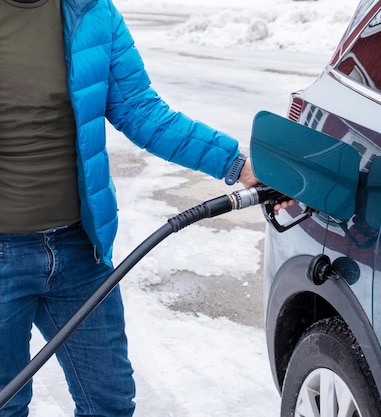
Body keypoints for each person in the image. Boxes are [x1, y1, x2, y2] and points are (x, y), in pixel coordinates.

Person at [0, 0, 285, 416]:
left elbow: (142, 111)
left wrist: (238, 164)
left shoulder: (91, 12)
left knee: (109, 403)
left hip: (81, 250)